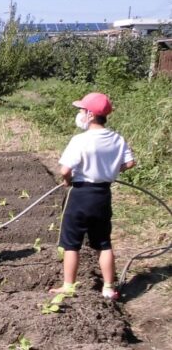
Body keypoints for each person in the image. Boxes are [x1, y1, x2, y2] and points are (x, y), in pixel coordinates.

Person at [50, 93, 135, 300]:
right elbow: (130, 163)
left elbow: (64, 170)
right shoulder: (117, 138)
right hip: (102, 195)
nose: (79, 114)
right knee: (103, 243)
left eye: (81, 110)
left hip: (80, 194)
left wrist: (69, 181)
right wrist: (112, 170)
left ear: (89, 114)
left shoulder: (80, 140)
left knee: (71, 243)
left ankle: (68, 286)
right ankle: (108, 288)